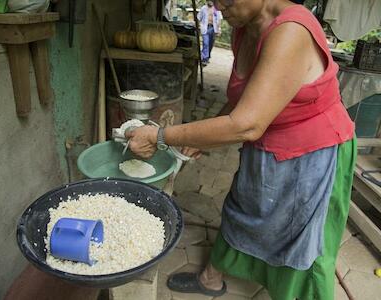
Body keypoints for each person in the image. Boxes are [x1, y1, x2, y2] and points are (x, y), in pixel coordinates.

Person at [126, 0, 356, 299]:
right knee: (240, 212)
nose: (217, 4)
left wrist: (161, 135)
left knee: (298, 244)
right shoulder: (244, 25)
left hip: (310, 155)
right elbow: (245, 99)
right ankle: (211, 278)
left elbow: (246, 124)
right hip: (266, 146)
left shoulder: (291, 31)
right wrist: (200, 137)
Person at [198, 1, 223, 65]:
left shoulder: (216, 9)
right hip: (205, 28)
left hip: (213, 29)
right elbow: (198, 17)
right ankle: (204, 58)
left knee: (210, 44)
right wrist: (198, 26)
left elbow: (219, 19)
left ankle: (207, 56)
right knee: (205, 43)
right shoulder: (203, 8)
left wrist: (219, 29)